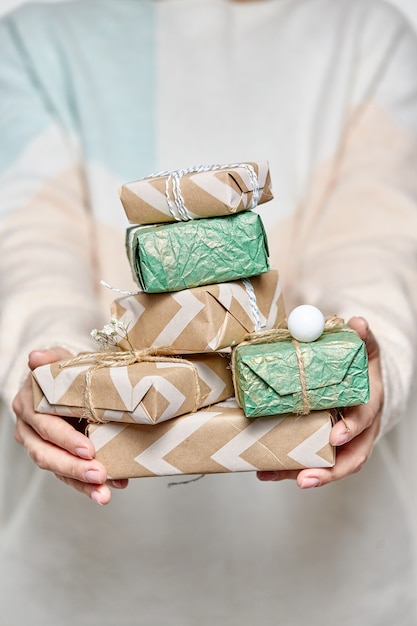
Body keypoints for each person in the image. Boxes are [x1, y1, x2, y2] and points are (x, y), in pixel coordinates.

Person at [1, 0, 417, 623]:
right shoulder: (34, 38)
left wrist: (370, 350)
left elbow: (376, 238)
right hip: (85, 587)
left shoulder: (369, 32)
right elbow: (30, 250)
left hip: (337, 586)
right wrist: (52, 375)